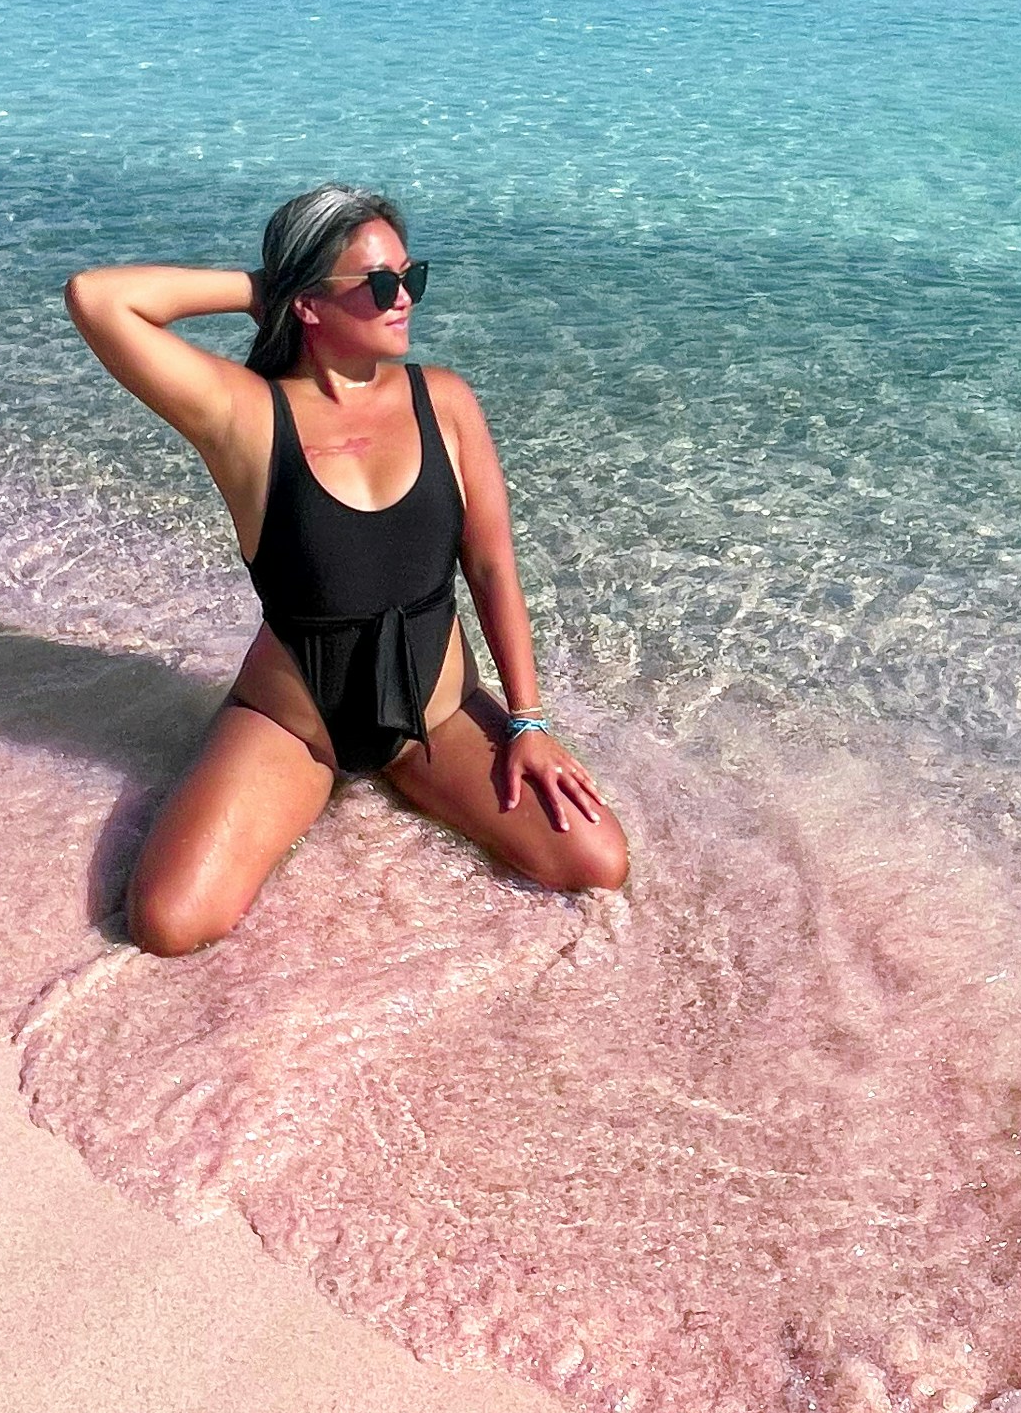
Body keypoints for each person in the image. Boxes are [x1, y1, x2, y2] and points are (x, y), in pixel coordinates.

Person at [66, 186, 629, 953]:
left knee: (595, 861)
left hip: (435, 713)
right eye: (378, 283)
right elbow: (98, 298)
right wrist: (260, 288)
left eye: (409, 276)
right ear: (308, 306)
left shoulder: (446, 400)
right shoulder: (246, 415)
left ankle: (408, 773)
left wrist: (528, 721)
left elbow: (493, 565)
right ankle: (257, 771)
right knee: (170, 924)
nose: (403, 299)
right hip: (297, 724)